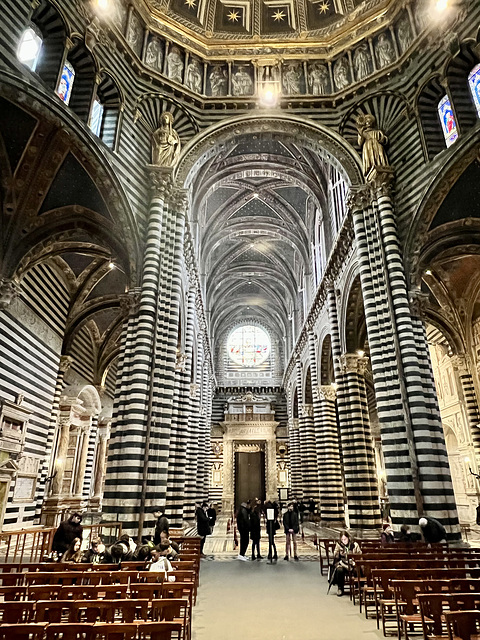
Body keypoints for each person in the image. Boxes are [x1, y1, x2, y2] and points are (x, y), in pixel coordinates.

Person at [329, 531, 361, 597]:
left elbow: (360, 554)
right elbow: (335, 554)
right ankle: (340, 588)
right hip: (343, 563)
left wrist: (354, 555)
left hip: (352, 563)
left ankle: (357, 588)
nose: (344, 541)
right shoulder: (339, 545)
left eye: (345, 539)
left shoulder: (354, 544)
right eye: (342, 539)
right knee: (339, 570)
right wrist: (339, 554)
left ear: (348, 538)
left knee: (357, 570)